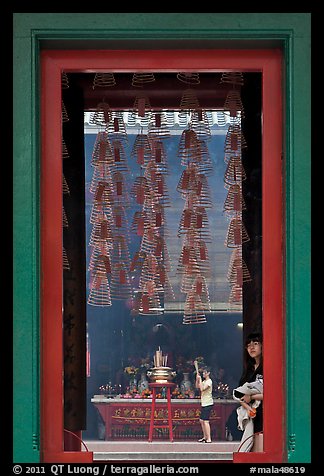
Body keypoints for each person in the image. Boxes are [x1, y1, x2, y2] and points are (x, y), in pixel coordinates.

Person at [235, 332, 263, 452]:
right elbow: (240, 395)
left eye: (255, 344)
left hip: (265, 412)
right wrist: (248, 406)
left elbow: (274, 392)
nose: (251, 347)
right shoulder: (248, 370)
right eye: (248, 345)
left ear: (263, 346)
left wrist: (251, 397)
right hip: (252, 413)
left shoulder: (267, 367)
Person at [195, 365, 213, 443]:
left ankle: (209, 438)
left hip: (208, 403)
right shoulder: (204, 381)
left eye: (205, 372)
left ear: (208, 373)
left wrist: (200, 379)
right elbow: (197, 387)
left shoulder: (209, 381)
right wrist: (197, 379)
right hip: (204, 403)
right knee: (201, 420)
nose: (203, 374)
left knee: (205, 421)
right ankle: (205, 437)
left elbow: (202, 388)